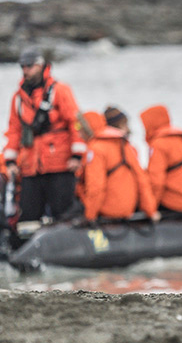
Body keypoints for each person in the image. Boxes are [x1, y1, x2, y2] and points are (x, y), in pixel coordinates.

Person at [3, 47, 86, 222]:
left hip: (60, 165)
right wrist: (10, 161)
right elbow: (14, 130)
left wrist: (77, 155)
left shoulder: (60, 90)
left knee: (62, 212)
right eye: (23, 67)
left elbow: (75, 122)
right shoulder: (18, 98)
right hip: (30, 167)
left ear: (41, 65)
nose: (25, 70)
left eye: (29, 66)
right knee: (28, 215)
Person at [77, 112, 160, 223]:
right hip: (128, 210)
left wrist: (89, 217)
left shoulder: (96, 149)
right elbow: (142, 180)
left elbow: (96, 187)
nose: (78, 133)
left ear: (88, 129)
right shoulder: (125, 145)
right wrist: (151, 211)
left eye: (78, 127)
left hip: (108, 211)